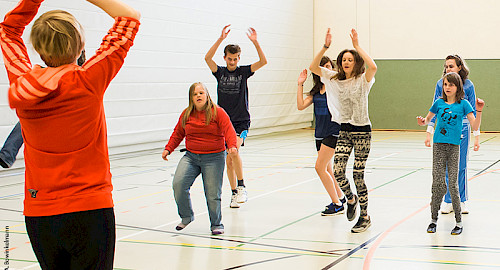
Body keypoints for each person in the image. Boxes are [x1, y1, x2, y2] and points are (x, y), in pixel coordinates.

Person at [0, 0, 140, 268]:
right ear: (79, 47)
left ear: (39, 49)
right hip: (90, 210)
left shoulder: (22, 83)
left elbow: (7, 31)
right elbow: (129, 16)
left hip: (40, 214)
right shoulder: (88, 80)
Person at [309, 28, 377, 233]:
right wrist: (325, 47)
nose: (346, 62)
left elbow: (373, 66)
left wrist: (357, 46)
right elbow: (313, 67)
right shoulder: (334, 79)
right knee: (338, 171)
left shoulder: (363, 80)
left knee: (358, 175)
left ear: (355, 62)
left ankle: (365, 216)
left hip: (362, 131)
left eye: (350, 59)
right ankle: (350, 198)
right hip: (345, 131)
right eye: (344, 59)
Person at [204, 24, 267, 208]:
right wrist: (220, 39)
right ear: (225, 58)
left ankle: (242, 186)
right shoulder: (220, 73)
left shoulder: (243, 72)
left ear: (239, 58)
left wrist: (256, 43)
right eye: (230, 59)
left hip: (241, 122)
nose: (232, 62)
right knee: (228, 159)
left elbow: (263, 62)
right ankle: (233, 193)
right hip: (222, 122)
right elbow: (207, 58)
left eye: (235, 59)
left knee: (233, 150)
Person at [162, 82, 237, 235]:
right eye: (195, 94)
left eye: (201, 93)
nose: (198, 96)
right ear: (191, 98)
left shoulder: (217, 112)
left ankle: (216, 224)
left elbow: (228, 129)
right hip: (191, 156)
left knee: (212, 193)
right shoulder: (187, 114)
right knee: (178, 184)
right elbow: (178, 133)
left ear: (207, 95)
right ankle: (186, 216)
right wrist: (168, 148)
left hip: (214, 157)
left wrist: (232, 146)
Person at [417, 72, 484, 235]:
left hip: (454, 147)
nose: (447, 87)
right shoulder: (439, 103)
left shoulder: (464, 104)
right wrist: (423, 122)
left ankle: (459, 222)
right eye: (445, 84)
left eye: (451, 85)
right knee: (437, 184)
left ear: (458, 87)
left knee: (453, 185)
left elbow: (474, 125)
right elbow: (428, 119)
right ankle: (433, 220)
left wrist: (479, 111)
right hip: (438, 146)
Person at [0, 51, 85, 169]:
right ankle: (7, 154)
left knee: (29, 119)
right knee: (29, 119)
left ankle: (7, 154)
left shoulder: (79, 76)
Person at [427, 55, 477, 215]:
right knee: (445, 168)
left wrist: (476, 135)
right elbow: (435, 108)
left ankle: (461, 200)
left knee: (460, 166)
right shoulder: (440, 84)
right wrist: (429, 130)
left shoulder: (468, 86)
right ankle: (448, 201)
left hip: (461, 130)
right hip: (443, 130)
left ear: (460, 67)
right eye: (446, 66)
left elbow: (473, 112)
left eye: (451, 66)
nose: (448, 69)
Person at [296, 59, 345, 216]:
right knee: (327, 168)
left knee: (319, 167)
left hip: (333, 131)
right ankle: (341, 197)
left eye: (328, 67)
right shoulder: (316, 92)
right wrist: (300, 84)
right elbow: (300, 105)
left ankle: (337, 204)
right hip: (320, 133)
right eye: (322, 67)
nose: (325, 69)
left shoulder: (336, 88)